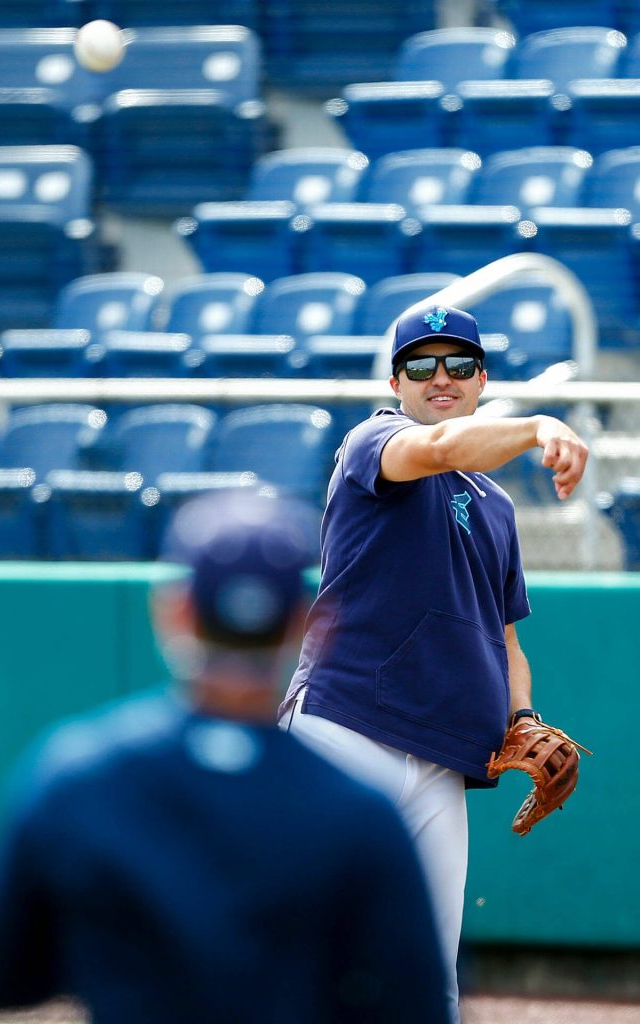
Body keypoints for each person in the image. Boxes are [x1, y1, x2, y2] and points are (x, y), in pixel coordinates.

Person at [0, 489, 451, 1024]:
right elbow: (416, 1004)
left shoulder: (77, 773)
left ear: (177, 610)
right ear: (306, 623)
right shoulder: (359, 811)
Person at [278, 304, 589, 1022]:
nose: (439, 377)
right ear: (396, 380)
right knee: (312, 959)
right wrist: (539, 427)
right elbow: (444, 446)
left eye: (457, 363)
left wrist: (521, 716)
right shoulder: (375, 441)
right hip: (345, 730)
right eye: (421, 364)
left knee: (425, 979)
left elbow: (505, 641)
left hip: (440, 758)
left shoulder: (498, 506)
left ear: (481, 377)